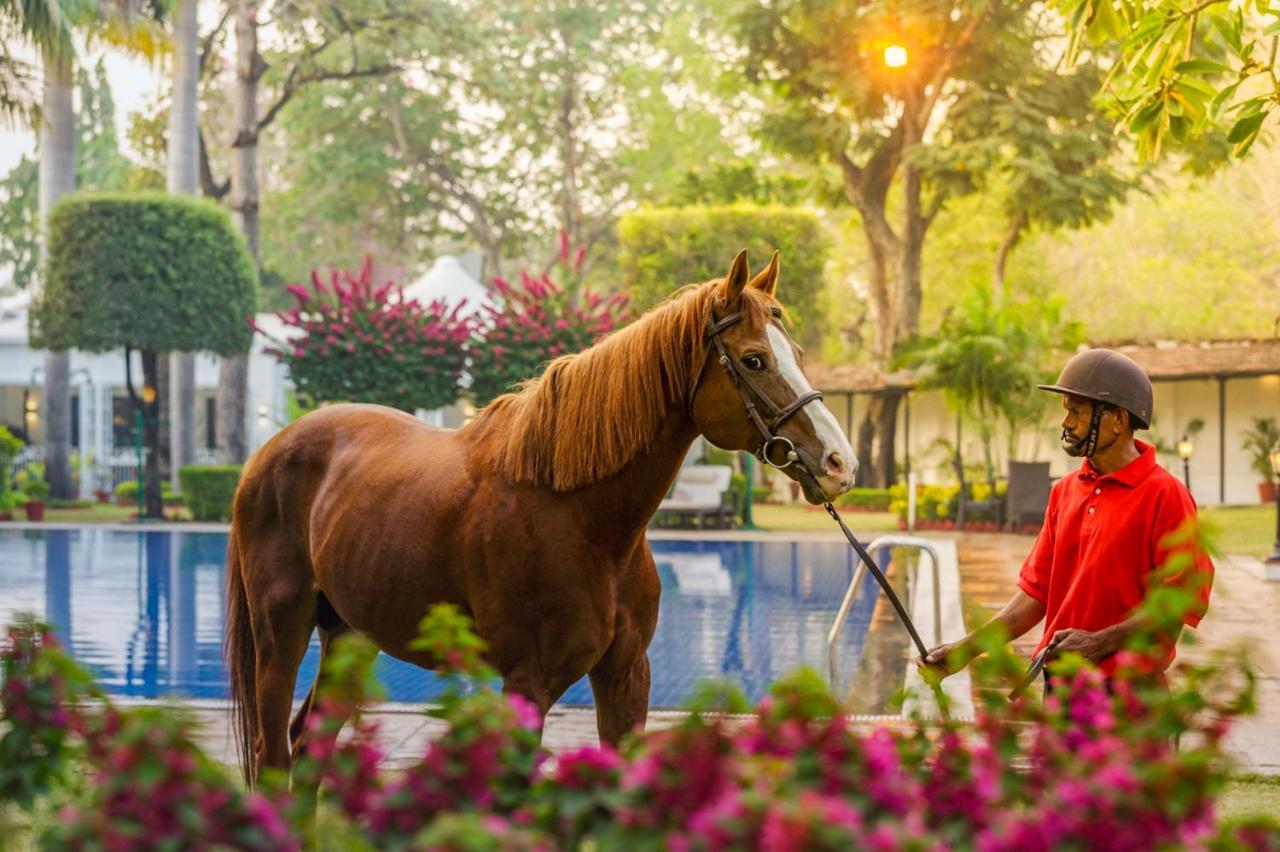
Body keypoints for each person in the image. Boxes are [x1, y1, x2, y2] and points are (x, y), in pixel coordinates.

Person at [921, 348, 1214, 688]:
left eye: (1077, 411)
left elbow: (1179, 604)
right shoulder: (1066, 491)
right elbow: (1035, 595)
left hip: (1131, 697)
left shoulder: (1166, 495)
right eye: (1067, 411)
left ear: (1118, 420)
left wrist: (1098, 642)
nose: (1067, 422)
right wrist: (964, 650)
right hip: (1061, 686)